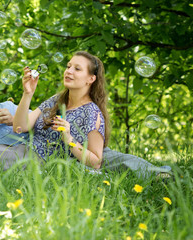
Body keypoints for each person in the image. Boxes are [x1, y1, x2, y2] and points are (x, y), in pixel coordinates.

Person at [0, 75, 171, 178]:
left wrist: (15, 119)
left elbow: (27, 122)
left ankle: (163, 174)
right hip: (33, 157)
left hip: (58, 146)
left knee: (110, 157)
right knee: (87, 171)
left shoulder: (8, 109)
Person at [12, 51, 171, 177]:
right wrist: (28, 93)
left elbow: (95, 162)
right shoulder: (56, 100)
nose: (69, 71)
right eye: (68, 66)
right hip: (24, 151)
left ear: (91, 79)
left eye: (77, 68)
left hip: (39, 163)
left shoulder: (92, 113)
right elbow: (20, 126)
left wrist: (69, 139)